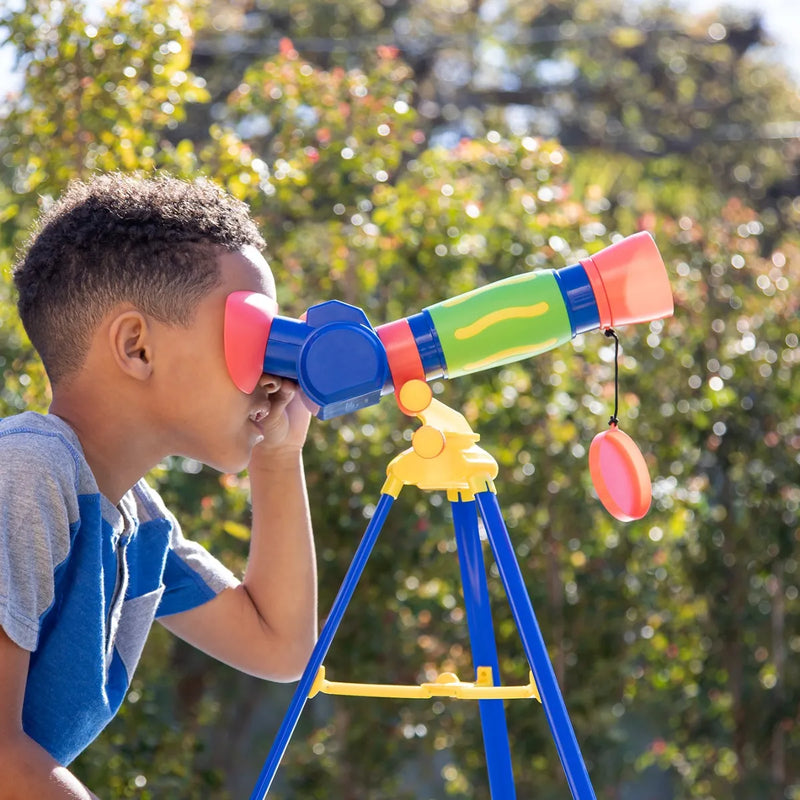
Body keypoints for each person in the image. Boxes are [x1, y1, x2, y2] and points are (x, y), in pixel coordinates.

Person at [0, 174, 318, 799]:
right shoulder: (27, 473)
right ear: (137, 346)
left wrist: (279, 457)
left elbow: (281, 646)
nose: (273, 373)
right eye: (254, 338)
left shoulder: (133, 522)